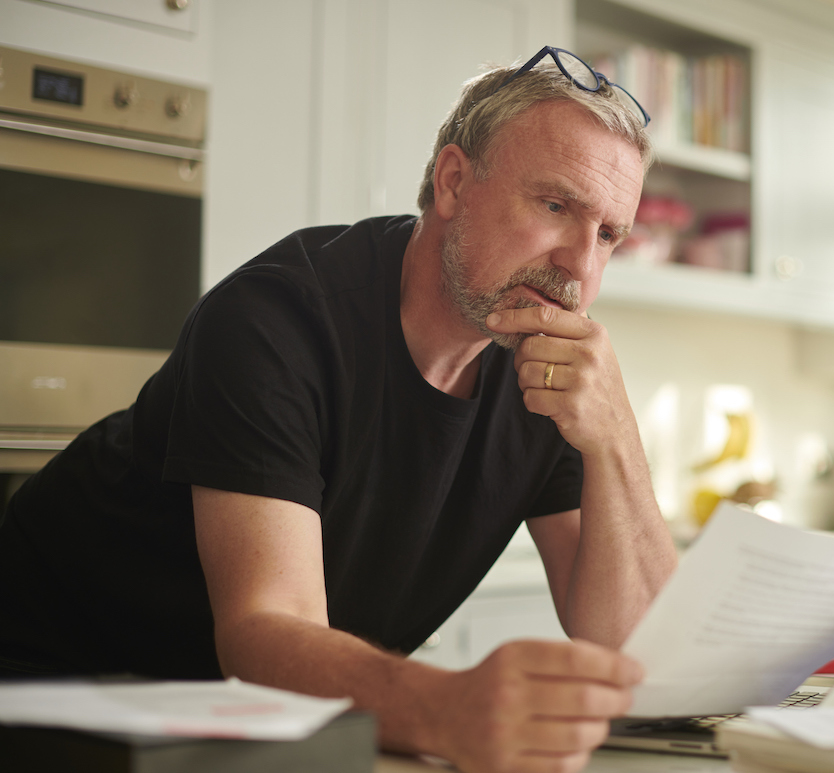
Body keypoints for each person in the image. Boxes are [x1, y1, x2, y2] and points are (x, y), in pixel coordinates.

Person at [0, 46, 678, 772]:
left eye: (608, 235)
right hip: (50, 691)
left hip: (251, 731)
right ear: (454, 182)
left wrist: (616, 438)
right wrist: (446, 706)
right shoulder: (277, 318)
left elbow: (647, 657)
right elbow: (264, 629)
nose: (580, 266)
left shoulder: (547, 368)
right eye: (555, 206)